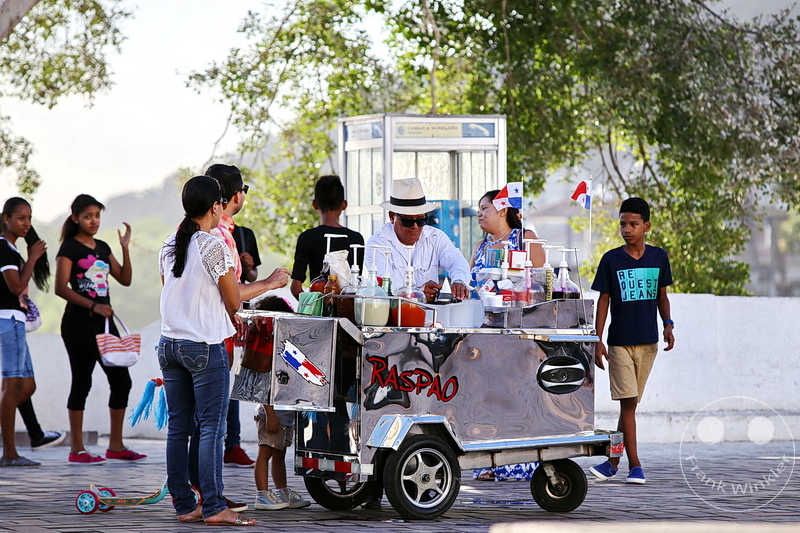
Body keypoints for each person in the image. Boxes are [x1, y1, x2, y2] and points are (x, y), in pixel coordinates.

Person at [158, 176, 268, 526]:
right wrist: (270, 283)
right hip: (204, 346)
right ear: (214, 207)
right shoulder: (212, 245)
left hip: (169, 345)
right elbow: (234, 301)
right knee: (211, 428)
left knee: (179, 428)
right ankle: (215, 506)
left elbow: (174, 291)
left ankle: (184, 505)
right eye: (221, 202)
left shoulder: (169, 244)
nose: (223, 208)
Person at [588, 197, 674, 485]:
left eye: (633, 224)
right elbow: (603, 300)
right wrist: (598, 339)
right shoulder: (611, 259)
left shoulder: (658, 257)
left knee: (630, 405)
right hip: (619, 344)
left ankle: (612, 462)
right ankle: (635, 465)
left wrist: (668, 325)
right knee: (627, 403)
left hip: (649, 343)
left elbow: (662, 296)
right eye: (623, 224)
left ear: (646, 226)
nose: (627, 229)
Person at [54, 194, 144, 465]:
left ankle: (115, 446)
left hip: (104, 323)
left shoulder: (102, 247)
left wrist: (125, 248)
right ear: (75, 218)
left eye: (97, 216)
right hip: (78, 324)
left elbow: (125, 279)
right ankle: (77, 449)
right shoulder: (69, 248)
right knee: (82, 382)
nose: (94, 221)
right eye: (88, 216)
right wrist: (94, 305)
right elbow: (60, 288)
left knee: (122, 381)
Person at [248, 296, 311, 511]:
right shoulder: (265, 349)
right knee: (265, 453)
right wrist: (270, 414)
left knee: (280, 453)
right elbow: (263, 384)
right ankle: (262, 495)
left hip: (284, 413)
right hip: (272, 413)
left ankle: (281, 491)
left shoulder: (281, 346)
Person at [0, 197, 49, 467]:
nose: (27, 224)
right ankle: (9, 453)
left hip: (16, 322)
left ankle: (8, 443)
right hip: (8, 320)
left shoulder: (11, 250)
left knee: (27, 385)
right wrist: (32, 258)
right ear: (6, 218)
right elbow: (16, 286)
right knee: (11, 387)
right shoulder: (3, 248)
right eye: (21, 218)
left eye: (29, 218)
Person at [366, 177, 470, 302]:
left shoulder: (435, 237)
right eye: (407, 220)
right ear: (392, 217)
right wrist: (418, 292)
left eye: (421, 220)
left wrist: (459, 281)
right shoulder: (377, 244)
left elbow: (456, 260)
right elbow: (383, 286)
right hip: (394, 311)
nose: (415, 226)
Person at [290, 175, 364, 300]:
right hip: (348, 308)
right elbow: (356, 285)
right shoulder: (356, 239)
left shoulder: (307, 237)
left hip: (317, 307)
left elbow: (296, 288)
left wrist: (314, 305)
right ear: (344, 205)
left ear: (314, 204)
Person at [470, 189, 545, 278]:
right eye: (479, 210)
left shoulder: (525, 238)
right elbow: (468, 282)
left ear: (503, 211)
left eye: (484, 208)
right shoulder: (479, 247)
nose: (479, 214)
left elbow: (541, 279)